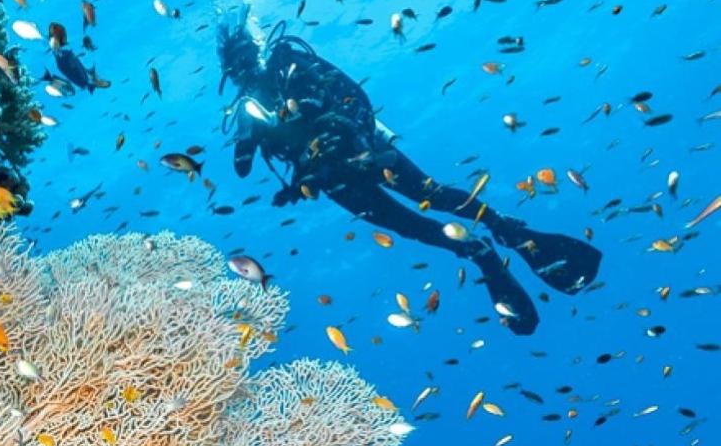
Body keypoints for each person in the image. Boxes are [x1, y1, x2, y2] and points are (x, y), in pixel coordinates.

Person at [217, 17, 601, 334]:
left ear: (254, 51)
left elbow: (351, 100)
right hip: (334, 182)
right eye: (234, 68)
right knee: (409, 226)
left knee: (433, 195)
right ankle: (480, 254)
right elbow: (246, 168)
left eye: (242, 60)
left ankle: (512, 232)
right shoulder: (250, 111)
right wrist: (256, 141)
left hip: (367, 154)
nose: (241, 72)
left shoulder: (293, 67)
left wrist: (345, 137)